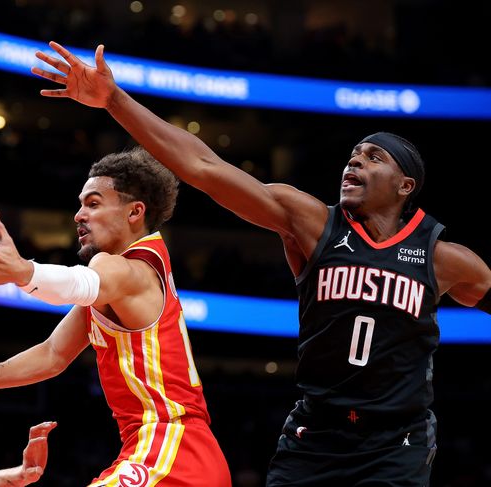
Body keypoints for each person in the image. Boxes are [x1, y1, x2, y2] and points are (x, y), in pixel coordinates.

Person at [29, 41, 491, 486]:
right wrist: (114, 100)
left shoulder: (446, 259)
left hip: (397, 441)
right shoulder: (312, 223)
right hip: (315, 434)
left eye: (374, 157)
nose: (354, 162)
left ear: (405, 185)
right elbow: (204, 167)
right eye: (353, 154)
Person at [0, 147, 231, 486]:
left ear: (135, 212)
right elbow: (53, 354)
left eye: (93, 203)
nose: (78, 215)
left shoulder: (128, 269)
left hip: (171, 449)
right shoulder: (117, 285)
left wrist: (22, 271)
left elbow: (81, 283)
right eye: (81, 204)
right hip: (179, 452)